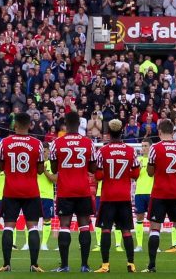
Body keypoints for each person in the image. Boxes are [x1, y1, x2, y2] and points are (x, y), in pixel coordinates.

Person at [0, 111, 46, 272]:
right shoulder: (37, 143)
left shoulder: (5, 142)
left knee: (9, 226)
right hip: (31, 191)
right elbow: (39, 171)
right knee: (32, 227)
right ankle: (34, 265)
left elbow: (1, 167)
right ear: (30, 125)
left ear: (15, 125)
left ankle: (6, 264)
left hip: (11, 190)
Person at [50, 111, 97, 272]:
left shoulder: (57, 143)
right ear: (79, 124)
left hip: (65, 190)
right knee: (84, 226)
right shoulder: (88, 142)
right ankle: (85, 265)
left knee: (64, 226)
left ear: (66, 125)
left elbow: (55, 168)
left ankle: (64, 265)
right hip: (83, 190)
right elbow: (92, 168)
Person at [144, 119, 176, 273]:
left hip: (159, 193)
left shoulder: (155, 148)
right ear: (173, 132)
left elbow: (150, 172)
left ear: (159, 132)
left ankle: (151, 265)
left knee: (155, 229)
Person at [93, 119, 139, 274]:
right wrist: (126, 175)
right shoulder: (130, 151)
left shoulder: (102, 151)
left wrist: (106, 174)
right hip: (124, 197)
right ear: (122, 132)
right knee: (126, 231)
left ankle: (105, 265)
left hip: (108, 196)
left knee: (106, 230)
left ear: (109, 133)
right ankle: (131, 264)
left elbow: (98, 175)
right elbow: (137, 173)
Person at [132, 140, 153, 253]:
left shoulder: (154, 160)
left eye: (146, 146)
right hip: (139, 193)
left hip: (151, 193)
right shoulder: (138, 160)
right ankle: (139, 245)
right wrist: (137, 169)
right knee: (139, 218)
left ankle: (154, 246)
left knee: (153, 220)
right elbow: (133, 177)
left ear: (150, 147)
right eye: (142, 146)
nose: (143, 148)